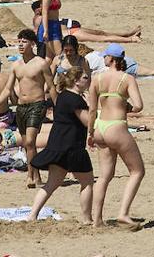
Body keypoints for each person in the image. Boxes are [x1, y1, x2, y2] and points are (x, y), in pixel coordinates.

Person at [28, 67, 94, 224]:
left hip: (57, 144)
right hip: (72, 147)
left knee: (51, 184)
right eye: (85, 78)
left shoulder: (62, 96)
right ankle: (86, 219)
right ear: (76, 81)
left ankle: (32, 215)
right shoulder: (76, 100)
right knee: (87, 182)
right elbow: (88, 122)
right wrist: (91, 105)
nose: (88, 80)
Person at [88, 50, 144, 230]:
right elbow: (139, 105)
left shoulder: (97, 78)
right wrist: (127, 107)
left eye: (106, 56)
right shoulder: (126, 79)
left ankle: (97, 220)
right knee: (137, 171)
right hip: (116, 126)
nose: (103, 58)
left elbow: (91, 109)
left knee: (104, 176)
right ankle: (123, 213)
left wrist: (90, 132)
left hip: (100, 127)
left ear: (111, 59)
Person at [0, 28, 56, 189]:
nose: (21, 45)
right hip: (21, 107)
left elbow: (51, 87)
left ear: (33, 44)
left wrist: (58, 107)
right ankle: (36, 176)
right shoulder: (16, 65)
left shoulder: (41, 63)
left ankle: (30, 176)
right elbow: (8, 89)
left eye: (24, 42)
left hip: (37, 105)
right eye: (20, 41)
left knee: (30, 142)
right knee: (27, 144)